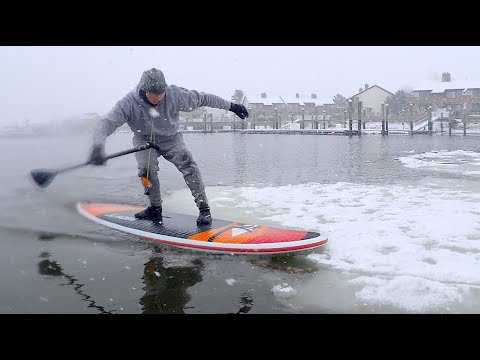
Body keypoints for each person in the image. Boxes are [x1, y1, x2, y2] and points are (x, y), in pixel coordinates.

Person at [88, 68, 249, 225]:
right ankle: (155, 208)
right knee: (146, 171)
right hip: (144, 140)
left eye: (161, 93)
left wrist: (232, 106)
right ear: (144, 90)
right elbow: (106, 124)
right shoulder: (128, 103)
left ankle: (204, 209)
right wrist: (97, 147)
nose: (158, 97)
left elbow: (204, 98)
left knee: (189, 166)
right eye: (154, 94)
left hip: (171, 138)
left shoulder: (175, 95)